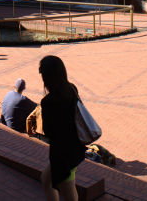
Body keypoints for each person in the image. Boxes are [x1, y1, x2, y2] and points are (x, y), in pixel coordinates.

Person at [38, 55, 86, 201]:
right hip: (75, 149)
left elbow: (48, 132)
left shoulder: (48, 102)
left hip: (63, 156)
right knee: (46, 180)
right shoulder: (72, 89)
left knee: (69, 195)